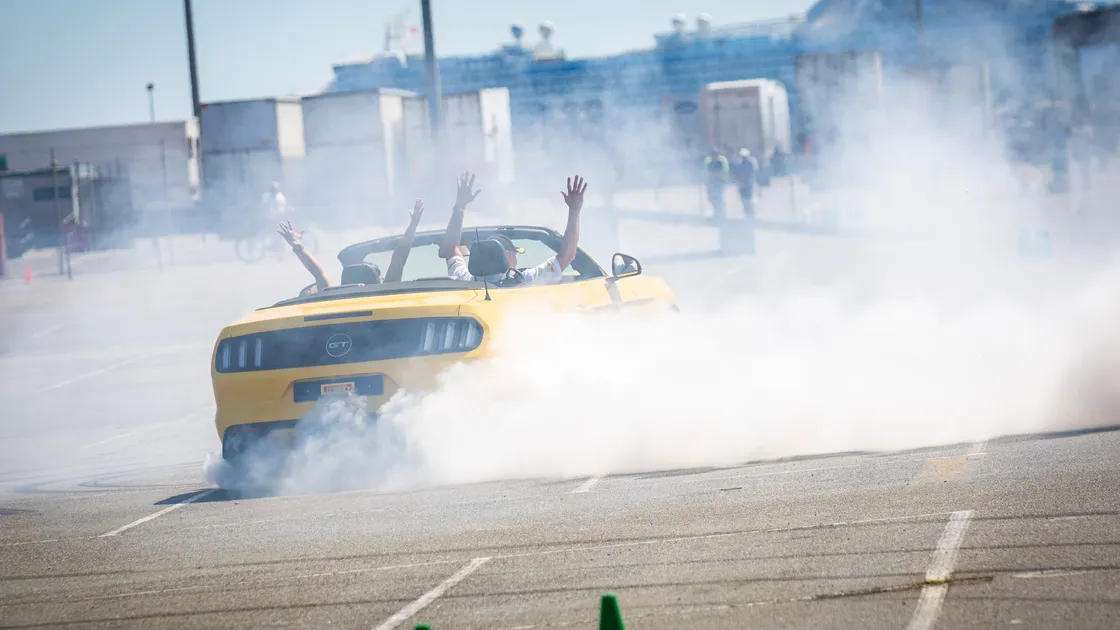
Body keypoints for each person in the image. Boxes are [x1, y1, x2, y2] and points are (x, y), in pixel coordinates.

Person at [438, 171, 587, 286]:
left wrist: (460, 207)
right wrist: (574, 210)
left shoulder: (465, 281)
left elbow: (451, 248)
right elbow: (567, 255)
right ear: (507, 255)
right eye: (515, 254)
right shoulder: (525, 281)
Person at [278, 199, 426, 296]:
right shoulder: (385, 295)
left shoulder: (333, 299)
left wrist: (297, 245)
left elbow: (318, 273)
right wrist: (413, 225)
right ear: (376, 279)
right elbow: (398, 259)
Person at [702, 147, 729, 219]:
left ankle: (721, 213)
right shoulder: (709, 163)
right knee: (711, 198)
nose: (714, 157)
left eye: (715, 155)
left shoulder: (720, 163)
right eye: (713, 155)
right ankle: (717, 212)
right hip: (711, 183)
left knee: (719, 198)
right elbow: (707, 173)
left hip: (719, 183)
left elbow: (723, 173)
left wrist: (720, 178)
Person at [731, 148, 759, 217]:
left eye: (745, 156)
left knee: (749, 200)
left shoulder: (751, 163)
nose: (744, 158)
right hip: (742, 185)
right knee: (744, 200)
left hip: (749, 185)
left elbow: (753, 172)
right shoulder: (739, 164)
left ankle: (751, 214)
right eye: (743, 156)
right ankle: (747, 213)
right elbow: (736, 174)